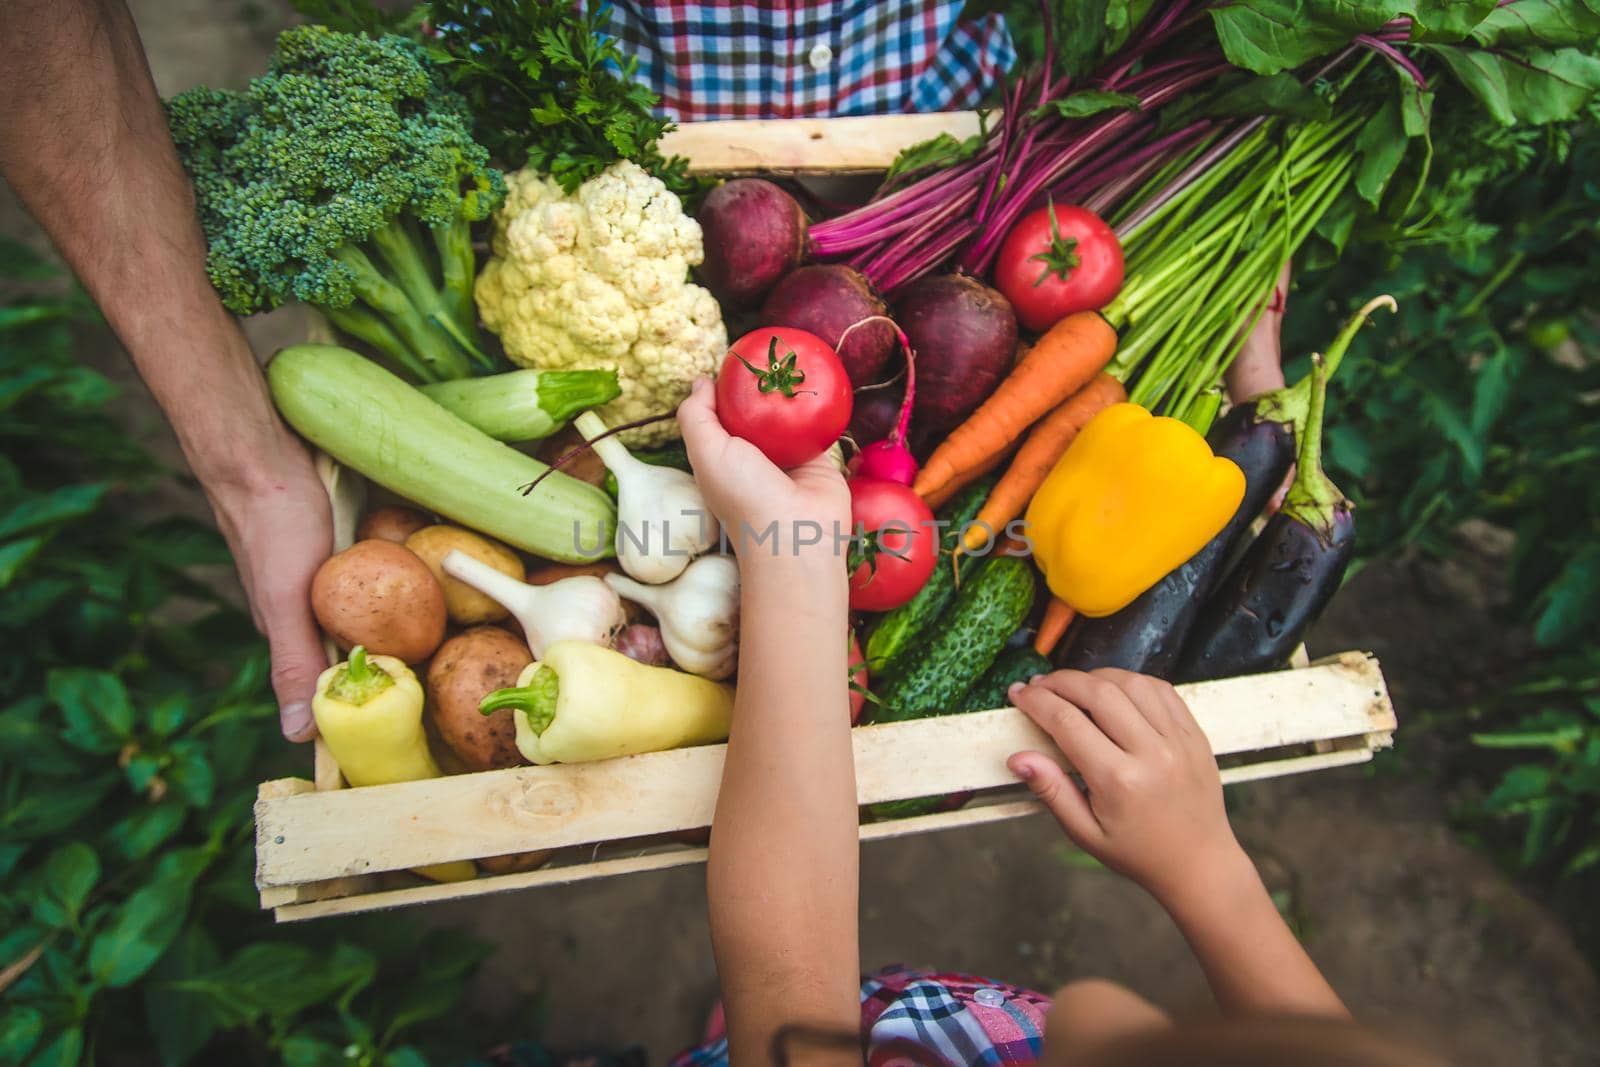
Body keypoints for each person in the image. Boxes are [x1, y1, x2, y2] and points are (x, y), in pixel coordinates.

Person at [671, 378, 1431, 1066]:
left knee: (765, 1023)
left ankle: (726, 1040)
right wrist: (1210, 871)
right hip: (886, 1022)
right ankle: (827, 1009)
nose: (1138, 1009)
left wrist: (791, 550)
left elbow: (790, 984)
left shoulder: (799, 1044)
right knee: (830, 1007)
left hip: (794, 1031)